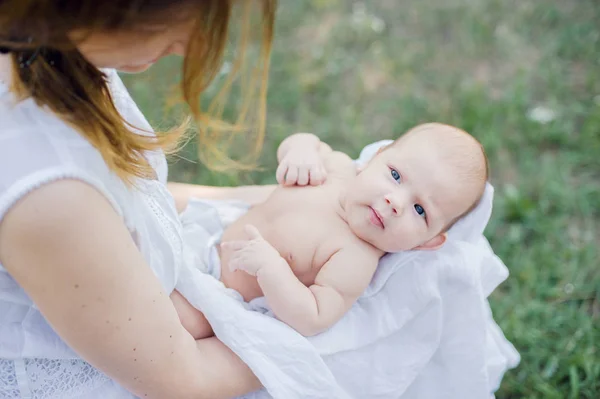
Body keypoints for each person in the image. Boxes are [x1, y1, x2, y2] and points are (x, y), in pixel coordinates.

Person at [0, 1, 279, 398]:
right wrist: (326, 337)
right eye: (168, 17)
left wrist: (253, 199)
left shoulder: (57, 46)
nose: (188, 45)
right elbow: (183, 380)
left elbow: (131, 203)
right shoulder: (49, 194)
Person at [171, 123, 489, 338]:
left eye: (420, 210)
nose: (396, 202)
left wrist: (273, 268)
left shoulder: (354, 258)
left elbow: (314, 317)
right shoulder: (337, 170)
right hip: (210, 233)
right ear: (375, 159)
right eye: (395, 176)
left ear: (428, 241)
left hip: (219, 292)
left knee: (173, 320)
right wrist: (300, 152)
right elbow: (306, 140)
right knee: (147, 216)